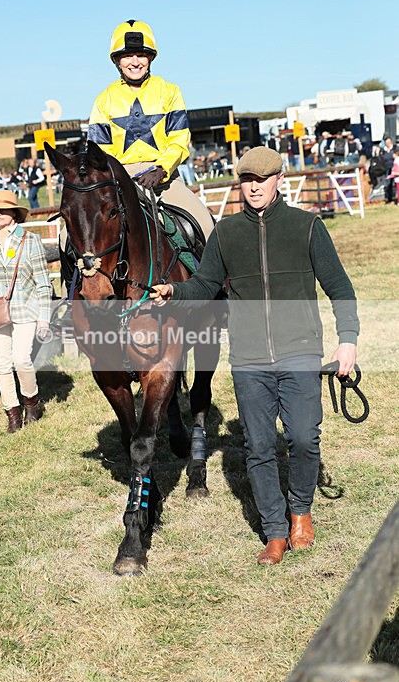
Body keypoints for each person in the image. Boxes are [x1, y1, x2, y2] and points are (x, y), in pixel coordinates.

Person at [149, 146, 359, 566]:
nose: (254, 187)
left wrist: (347, 341)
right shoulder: (225, 233)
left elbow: (340, 287)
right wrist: (175, 290)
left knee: (302, 437)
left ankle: (300, 509)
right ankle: (276, 531)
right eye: (247, 180)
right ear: (239, 183)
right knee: (259, 446)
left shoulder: (308, 227)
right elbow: (206, 285)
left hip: (301, 351)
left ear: (278, 180)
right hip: (249, 359)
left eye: (261, 180)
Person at [87, 19, 213, 243]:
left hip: (163, 180)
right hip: (118, 183)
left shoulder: (170, 92)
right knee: (67, 236)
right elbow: (98, 152)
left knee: (206, 225)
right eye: (127, 55)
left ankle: (211, 278)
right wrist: (116, 178)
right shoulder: (103, 100)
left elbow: (179, 140)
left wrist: (161, 170)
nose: (134, 62)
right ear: (116, 60)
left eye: (141, 55)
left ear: (151, 58)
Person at [0, 190, 52, 433]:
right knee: (2, 365)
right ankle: (12, 414)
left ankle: (31, 402)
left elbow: (43, 283)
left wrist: (43, 319)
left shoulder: (30, 240)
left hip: (27, 308)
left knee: (21, 359)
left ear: (15, 213)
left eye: (4, 208)